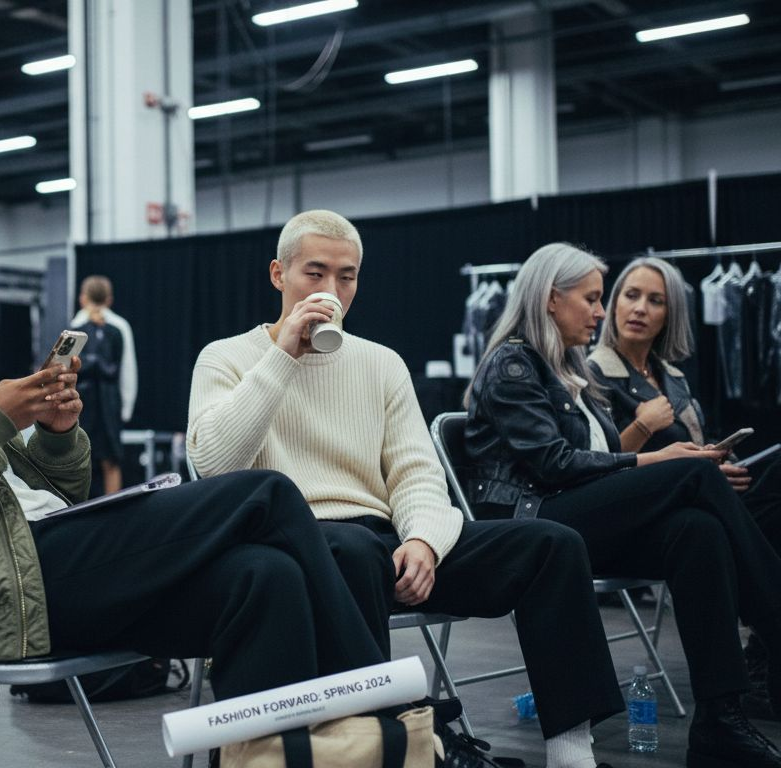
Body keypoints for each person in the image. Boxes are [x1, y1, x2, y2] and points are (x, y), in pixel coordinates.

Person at [0, 162, 388, 755]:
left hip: (52, 557)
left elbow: (60, 491)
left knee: (265, 577)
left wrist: (55, 434)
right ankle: (386, 713)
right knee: (267, 492)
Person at [188, 210, 623, 768]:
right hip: (299, 545)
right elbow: (216, 468)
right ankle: (394, 741)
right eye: (314, 274)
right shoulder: (226, 358)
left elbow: (418, 474)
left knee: (551, 544)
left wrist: (422, 542)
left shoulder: (381, 363)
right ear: (278, 275)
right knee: (355, 550)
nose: (331, 290)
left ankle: (570, 751)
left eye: (346, 277)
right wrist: (283, 357)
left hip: (389, 541)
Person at [464, 242, 781, 768]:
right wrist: (657, 464)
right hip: (532, 521)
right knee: (693, 474)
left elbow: (598, 457)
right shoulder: (514, 365)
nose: (600, 311)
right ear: (549, 299)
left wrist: (662, 464)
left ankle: (719, 723)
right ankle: (774, 614)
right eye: (591, 299)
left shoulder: (569, 368)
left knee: (696, 530)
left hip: (577, 514)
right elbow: (555, 465)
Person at [588, 256, 781, 715]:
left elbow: (690, 450)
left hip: (697, 493)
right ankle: (768, 635)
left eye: (655, 301)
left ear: (669, 315)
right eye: (630, 295)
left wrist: (716, 458)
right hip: (644, 511)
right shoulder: (594, 371)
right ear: (612, 305)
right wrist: (641, 424)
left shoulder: (672, 377)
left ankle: (762, 652)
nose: (640, 308)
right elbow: (594, 463)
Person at [71, 276, 126, 493]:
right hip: (86, 403)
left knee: (110, 459)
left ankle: (113, 515)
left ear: (83, 299)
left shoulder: (116, 330)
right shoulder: (75, 329)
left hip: (106, 403)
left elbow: (119, 368)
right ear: (109, 299)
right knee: (83, 459)